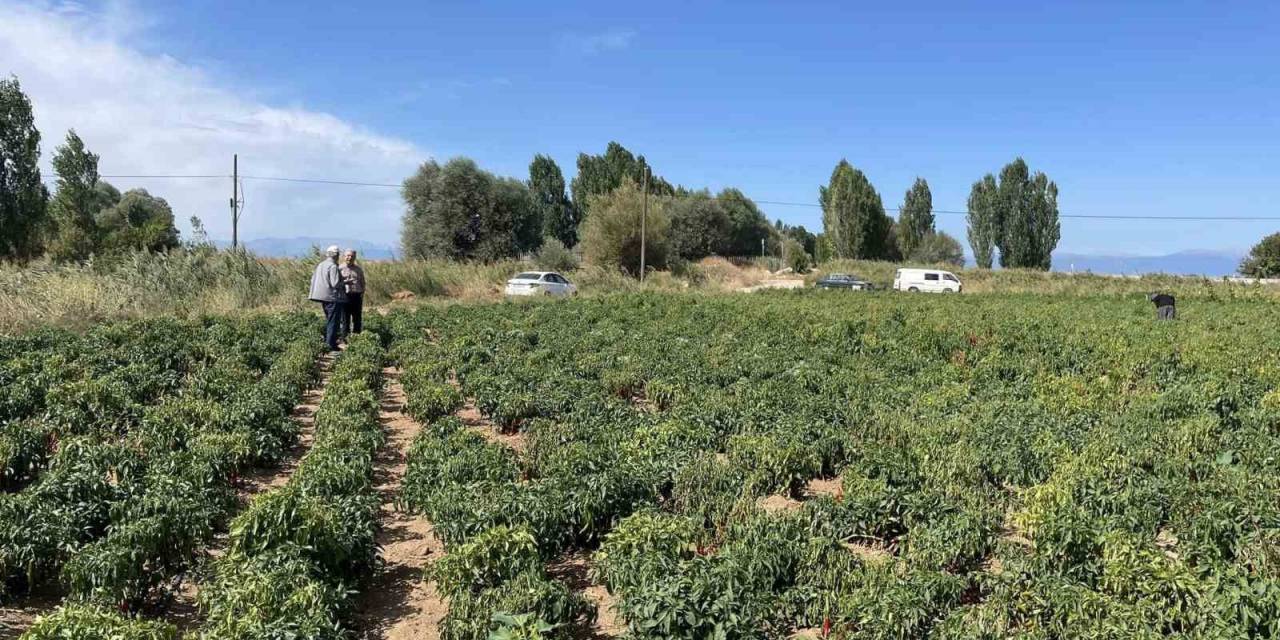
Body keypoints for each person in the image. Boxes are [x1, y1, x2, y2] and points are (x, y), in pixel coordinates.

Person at [309, 245, 348, 350]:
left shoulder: (321, 265)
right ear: (336, 255)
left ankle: (330, 343)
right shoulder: (333, 266)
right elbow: (335, 283)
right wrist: (345, 282)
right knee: (333, 322)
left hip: (324, 298)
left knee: (330, 320)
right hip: (332, 298)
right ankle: (330, 345)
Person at [340, 249, 366, 336]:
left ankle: (356, 336)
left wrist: (362, 292)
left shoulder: (358, 269)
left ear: (355, 257)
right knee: (345, 318)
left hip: (356, 296)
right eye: (348, 256)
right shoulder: (340, 268)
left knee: (357, 318)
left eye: (352, 256)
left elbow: (363, 282)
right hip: (345, 296)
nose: (350, 258)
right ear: (344, 257)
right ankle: (345, 337)